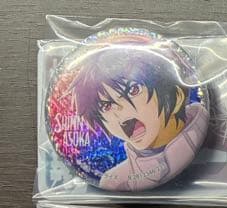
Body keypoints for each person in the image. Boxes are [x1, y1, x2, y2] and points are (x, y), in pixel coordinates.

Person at [71, 44, 208, 191]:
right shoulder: (117, 181)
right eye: (106, 106)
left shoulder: (215, 139)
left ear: (177, 96)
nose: (119, 111)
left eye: (133, 90)